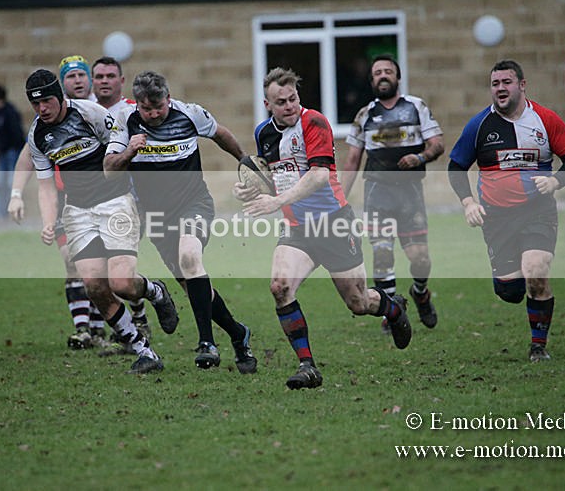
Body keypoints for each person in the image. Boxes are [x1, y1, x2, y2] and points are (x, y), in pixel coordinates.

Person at [236, 67, 410, 389]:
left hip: (334, 224)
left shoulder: (314, 122)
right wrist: (250, 191)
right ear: (267, 104)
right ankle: (308, 367)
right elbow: (272, 178)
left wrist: (275, 202)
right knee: (280, 287)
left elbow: (317, 177)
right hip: (297, 228)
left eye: (293, 98)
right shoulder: (264, 134)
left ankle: (393, 308)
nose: (288, 106)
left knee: (359, 303)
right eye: (280, 101)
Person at [24, 68, 177, 374]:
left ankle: (155, 291)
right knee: (94, 285)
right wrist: (47, 220)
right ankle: (142, 350)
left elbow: (120, 151)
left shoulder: (89, 113)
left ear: (60, 96)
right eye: (36, 104)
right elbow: (44, 185)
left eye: (48, 101)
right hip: (77, 212)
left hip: (115, 203)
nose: (43, 109)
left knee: (121, 282)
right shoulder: (37, 135)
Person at [105, 70, 258, 373]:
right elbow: (109, 169)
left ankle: (206, 343)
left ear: (168, 99)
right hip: (157, 217)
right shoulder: (126, 121)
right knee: (195, 289)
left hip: (194, 204)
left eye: (158, 107)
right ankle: (239, 334)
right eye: (146, 109)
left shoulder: (190, 114)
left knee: (190, 257)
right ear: (137, 104)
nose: (152, 114)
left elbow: (220, 134)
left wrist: (243, 160)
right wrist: (129, 150)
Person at [447, 59, 565, 362]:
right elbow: (456, 166)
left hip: (538, 212)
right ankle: (519, 286)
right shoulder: (479, 125)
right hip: (497, 218)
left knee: (536, 270)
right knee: (509, 291)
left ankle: (538, 346)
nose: (500, 89)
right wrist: (469, 202)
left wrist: (555, 182)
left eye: (506, 82)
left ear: (522, 85)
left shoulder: (545, 120)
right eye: (495, 84)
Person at [341, 54, 444, 333]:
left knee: (420, 258)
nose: (383, 75)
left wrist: (419, 158)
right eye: (377, 72)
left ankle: (420, 293)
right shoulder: (365, 115)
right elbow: (352, 161)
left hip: (410, 194)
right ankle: (391, 313)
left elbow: (437, 145)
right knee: (382, 254)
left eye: (388, 71)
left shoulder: (416, 107)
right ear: (372, 80)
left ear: (397, 77)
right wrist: (338, 199)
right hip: (377, 192)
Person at [92, 56, 150, 339]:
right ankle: (126, 322)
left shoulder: (132, 112)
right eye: (99, 76)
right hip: (91, 201)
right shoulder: (84, 113)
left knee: (116, 266)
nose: (104, 81)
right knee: (97, 268)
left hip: (128, 199)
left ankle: (134, 321)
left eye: (110, 76)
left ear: (122, 81)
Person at [0, 84, 25, 217]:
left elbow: (17, 133)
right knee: (0, 184)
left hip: (12, 152)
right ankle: (3, 212)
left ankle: (16, 210)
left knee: (11, 183)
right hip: (3, 153)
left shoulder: (10, 112)